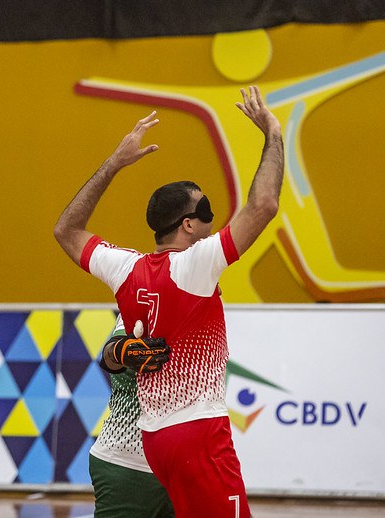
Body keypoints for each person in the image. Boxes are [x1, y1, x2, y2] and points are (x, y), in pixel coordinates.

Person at [54, 85, 284, 517]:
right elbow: (264, 204)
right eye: (206, 211)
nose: (212, 221)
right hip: (196, 433)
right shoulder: (196, 265)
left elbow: (66, 230)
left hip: (155, 439)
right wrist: (272, 133)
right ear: (188, 226)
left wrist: (114, 164)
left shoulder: (124, 267)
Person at [89, 316, 174, 518]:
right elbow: (110, 356)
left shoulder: (203, 299)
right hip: (130, 462)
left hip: (188, 462)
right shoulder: (140, 298)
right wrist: (119, 352)